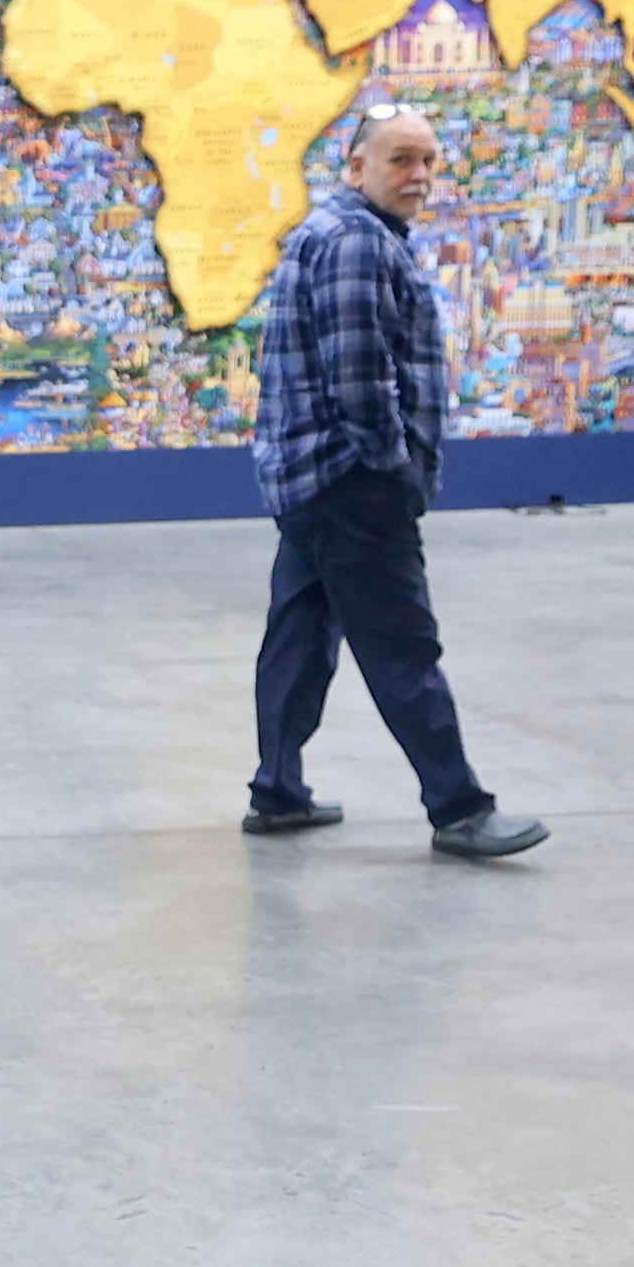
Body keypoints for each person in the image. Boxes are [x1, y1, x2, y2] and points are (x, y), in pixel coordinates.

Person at [244, 104, 547, 860]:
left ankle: (277, 793)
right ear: (357, 167)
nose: (419, 176)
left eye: (429, 162)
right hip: (353, 483)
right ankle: (459, 808)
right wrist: (395, 467)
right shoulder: (356, 244)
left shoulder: (330, 232)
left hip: (308, 479)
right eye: (401, 160)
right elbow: (359, 379)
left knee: (299, 638)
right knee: (403, 645)